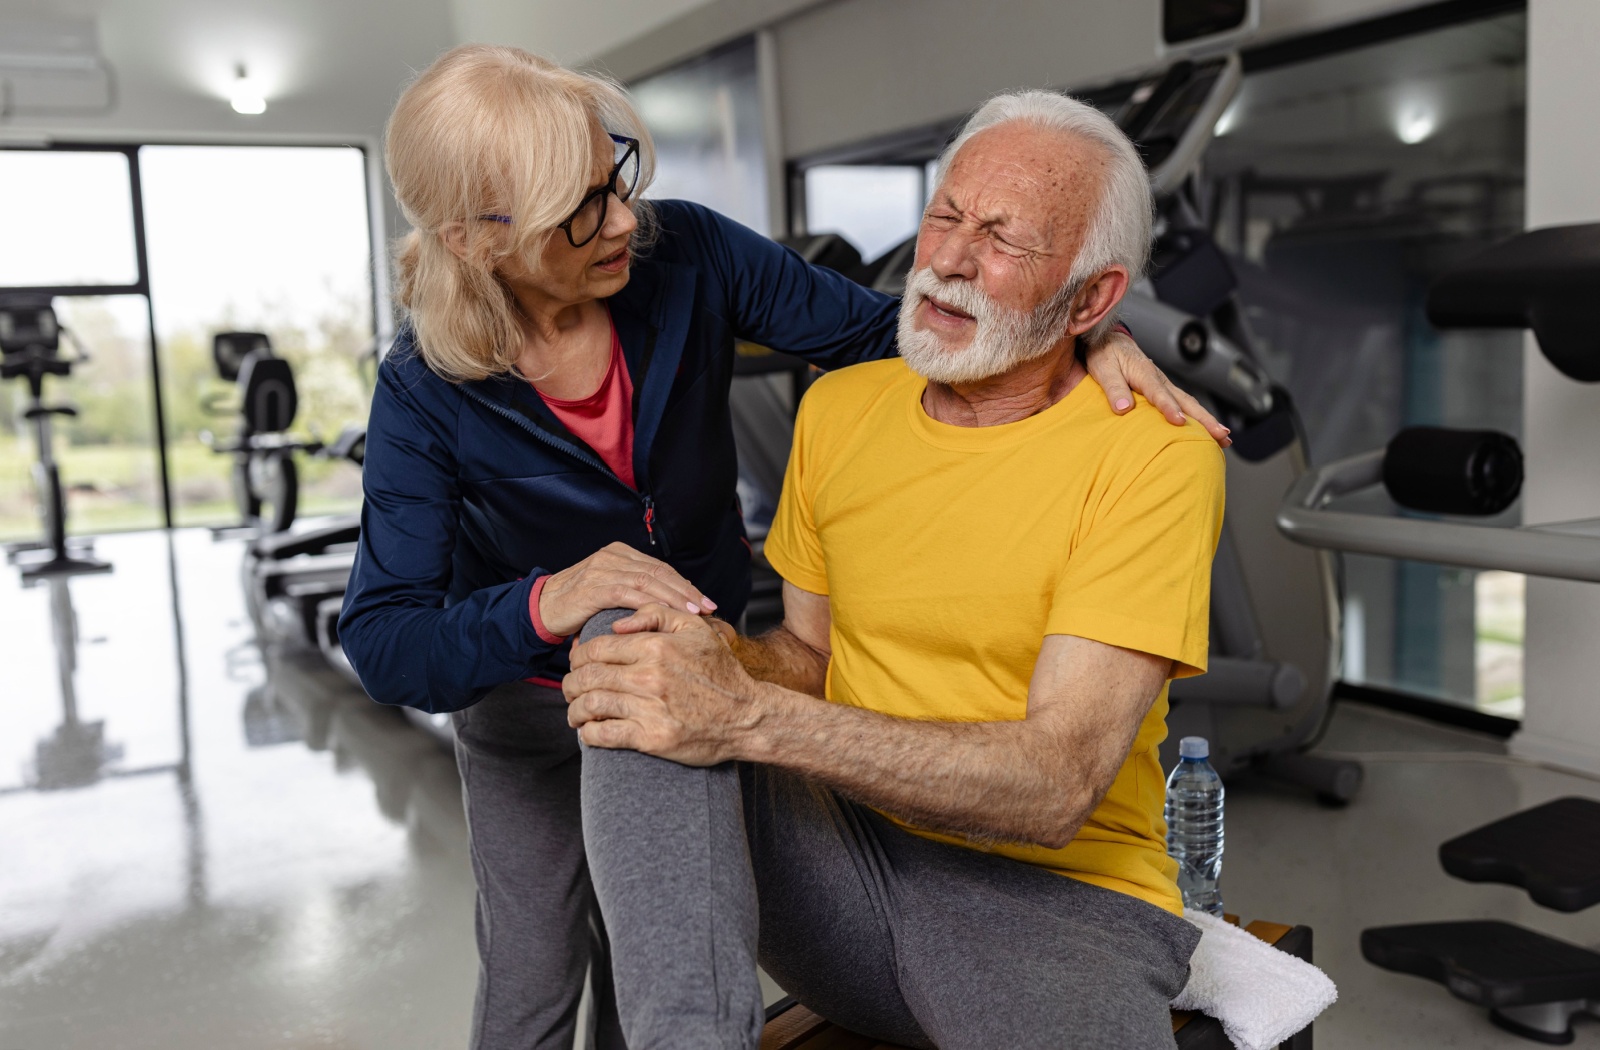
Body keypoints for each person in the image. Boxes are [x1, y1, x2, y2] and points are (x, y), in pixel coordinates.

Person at [340, 44, 1227, 1050]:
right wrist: (552, 600)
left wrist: (1081, 326)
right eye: (580, 211)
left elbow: (904, 331)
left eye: (615, 180)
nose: (626, 220)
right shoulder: (425, 384)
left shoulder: (685, 259)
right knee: (534, 973)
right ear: (476, 239)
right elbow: (383, 641)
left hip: (709, 702)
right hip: (523, 694)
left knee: (650, 663)